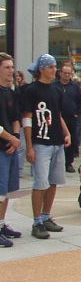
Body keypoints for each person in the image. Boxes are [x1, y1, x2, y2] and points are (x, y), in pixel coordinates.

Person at [23, 54, 72, 239]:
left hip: (56, 141)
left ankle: (46, 216)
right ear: (42, 69)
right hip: (40, 141)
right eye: (51, 67)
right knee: (40, 182)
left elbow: (57, 114)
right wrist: (29, 146)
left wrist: (66, 133)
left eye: (54, 67)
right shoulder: (31, 90)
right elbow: (27, 117)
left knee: (53, 181)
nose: (54, 70)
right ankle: (36, 221)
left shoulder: (56, 90)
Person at [0, 53, 23, 247]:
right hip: (1, 148)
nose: (11, 71)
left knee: (6, 190)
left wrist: (15, 138)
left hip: (9, 147)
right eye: (7, 67)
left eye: (12, 67)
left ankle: (1, 224)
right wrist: (10, 139)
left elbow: (16, 118)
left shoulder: (11, 92)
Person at [54, 64, 81, 173]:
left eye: (69, 73)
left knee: (71, 140)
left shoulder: (75, 87)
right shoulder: (54, 85)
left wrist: (77, 113)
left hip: (71, 118)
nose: (67, 75)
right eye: (65, 73)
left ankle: (69, 163)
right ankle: (57, 163)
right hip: (57, 118)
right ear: (60, 73)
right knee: (57, 140)